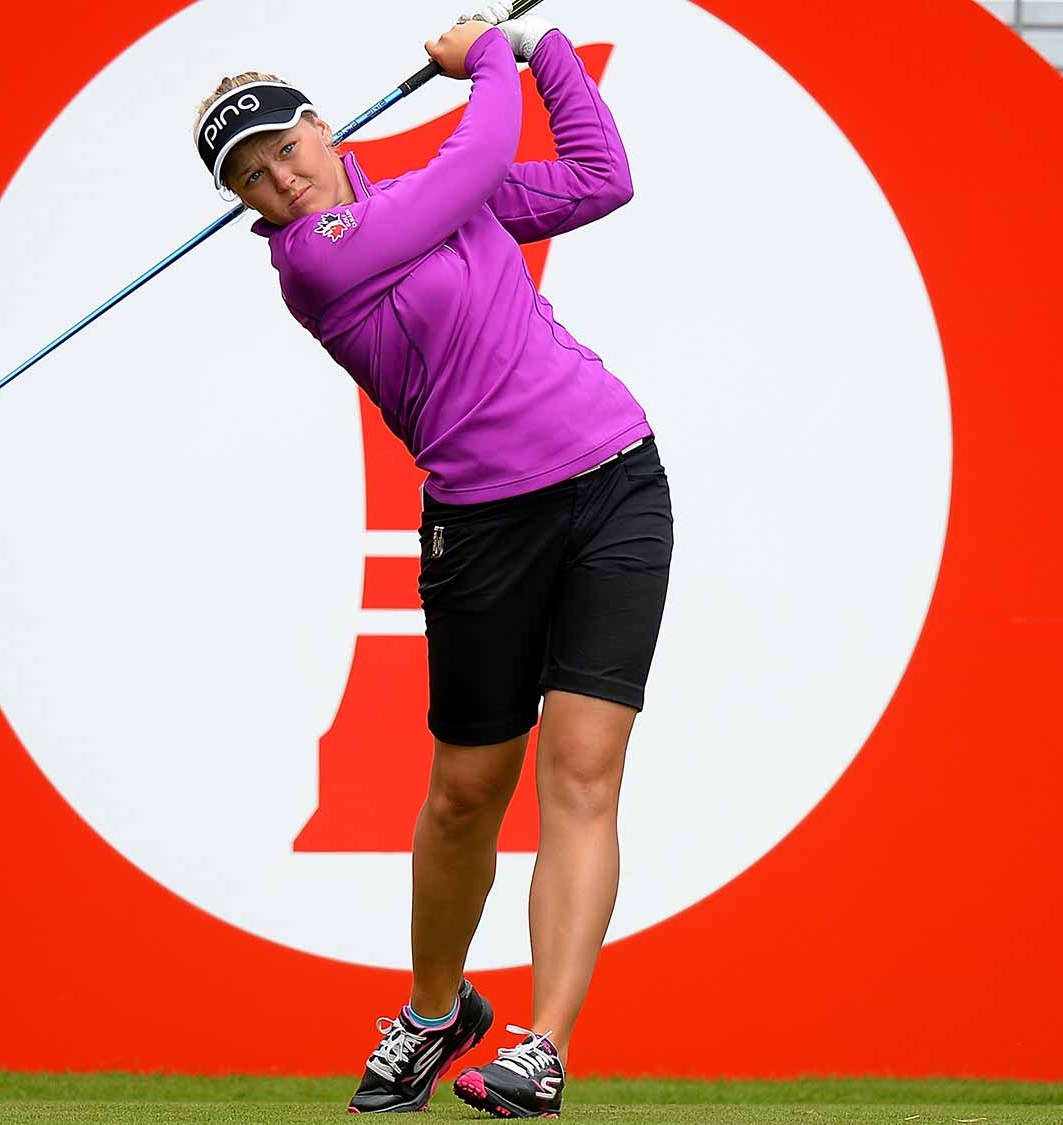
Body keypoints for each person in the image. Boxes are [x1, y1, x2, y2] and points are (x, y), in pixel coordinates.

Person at [193, 5, 670, 1116]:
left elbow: (600, 178)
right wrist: (487, 68)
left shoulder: (420, 198)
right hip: (483, 526)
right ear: (244, 208)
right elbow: (473, 166)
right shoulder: (314, 264)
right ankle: (433, 1011)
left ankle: (540, 1049)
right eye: (251, 180)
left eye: (285, 150)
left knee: (583, 776)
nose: (281, 181)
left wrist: (540, 53)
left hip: (614, 484)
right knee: (465, 793)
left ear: (322, 129)